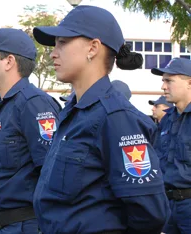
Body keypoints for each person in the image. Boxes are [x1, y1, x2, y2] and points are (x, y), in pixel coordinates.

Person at [32, 5, 169, 233]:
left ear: (93, 48)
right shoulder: (74, 113)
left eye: (63, 43)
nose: (53, 53)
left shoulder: (116, 118)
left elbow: (150, 213)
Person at [0, 28, 61, 233]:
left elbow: (50, 172)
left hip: (24, 224)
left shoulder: (33, 104)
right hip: (3, 223)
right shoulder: (4, 106)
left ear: (9, 61)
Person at [152, 57, 191, 234]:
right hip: (167, 206)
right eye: (163, 81)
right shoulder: (167, 119)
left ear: (189, 83)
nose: (163, 87)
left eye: (169, 81)